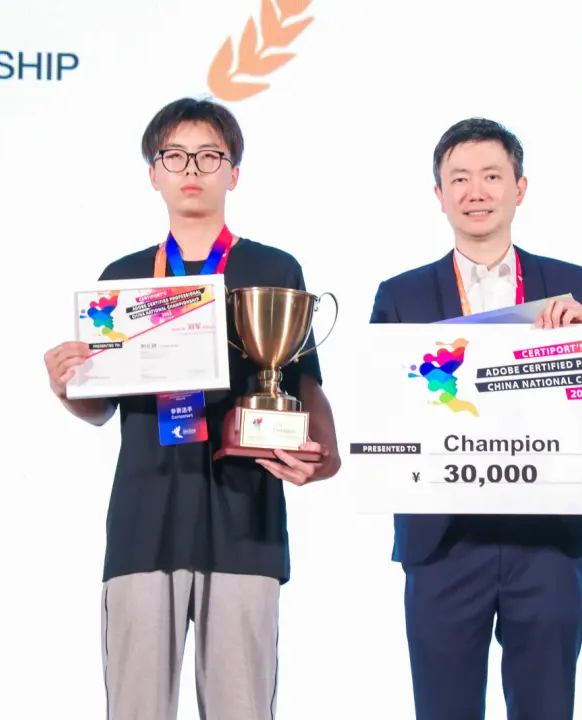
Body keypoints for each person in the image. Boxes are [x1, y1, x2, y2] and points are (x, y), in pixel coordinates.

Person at [42, 97, 341, 720]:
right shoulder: (123, 278)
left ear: (235, 172)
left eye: (210, 155)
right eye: (174, 155)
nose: (192, 168)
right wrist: (67, 385)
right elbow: (100, 408)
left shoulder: (272, 268)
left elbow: (303, 380)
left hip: (245, 519)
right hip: (144, 520)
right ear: (153, 174)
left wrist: (326, 456)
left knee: (242, 708)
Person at [368, 117, 582, 720]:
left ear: (519, 188)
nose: (475, 192)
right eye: (459, 179)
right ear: (439, 194)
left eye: (491, 176)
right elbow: (380, 410)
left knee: (547, 708)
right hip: (444, 541)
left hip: (549, 537)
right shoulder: (401, 296)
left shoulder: (572, 285)